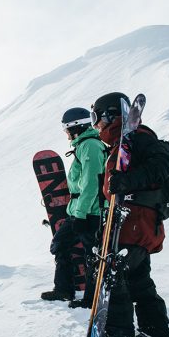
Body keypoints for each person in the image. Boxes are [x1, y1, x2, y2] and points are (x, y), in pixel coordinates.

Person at [91, 91, 169, 337]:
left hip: (134, 224)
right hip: (137, 225)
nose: (96, 125)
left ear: (111, 116)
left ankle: (118, 335)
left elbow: (162, 165)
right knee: (138, 279)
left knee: (112, 278)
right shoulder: (121, 145)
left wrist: (126, 181)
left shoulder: (139, 138)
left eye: (97, 118)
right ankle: (155, 332)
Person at [41, 108, 106, 302]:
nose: (66, 135)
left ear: (76, 127)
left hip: (89, 212)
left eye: (66, 130)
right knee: (60, 244)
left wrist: (81, 214)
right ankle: (63, 289)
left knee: (91, 254)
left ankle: (91, 299)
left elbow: (91, 184)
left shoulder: (91, 146)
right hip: (79, 211)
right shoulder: (84, 145)